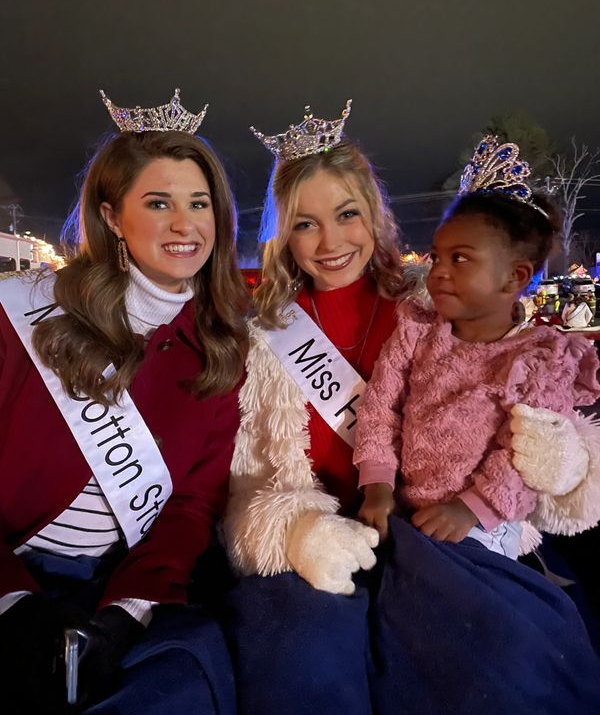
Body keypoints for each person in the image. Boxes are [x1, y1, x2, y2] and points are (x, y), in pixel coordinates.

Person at [222, 109, 600, 715]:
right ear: (282, 235)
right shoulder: (263, 338)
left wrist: (560, 460)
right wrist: (297, 533)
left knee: (492, 662)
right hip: (323, 550)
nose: (331, 242)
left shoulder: (439, 303)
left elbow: (541, 422)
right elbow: (248, 487)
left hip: (445, 534)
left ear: (373, 215)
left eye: (347, 215)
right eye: (305, 224)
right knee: (302, 663)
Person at [0, 89, 248, 714]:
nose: (185, 225)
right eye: (158, 203)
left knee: (186, 683)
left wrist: (128, 611)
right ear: (112, 217)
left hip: (126, 587)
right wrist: (13, 601)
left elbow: (192, 505)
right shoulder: (23, 316)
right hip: (11, 575)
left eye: (199, 204)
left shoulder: (219, 348)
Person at [353, 135, 600, 715]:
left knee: (469, 619)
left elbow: (527, 452)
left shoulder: (540, 356)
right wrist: (378, 482)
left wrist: (473, 509)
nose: (438, 272)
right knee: (403, 613)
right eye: (437, 256)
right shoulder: (417, 330)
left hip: (485, 522)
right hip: (408, 509)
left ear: (515, 277)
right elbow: (381, 407)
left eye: (460, 259)